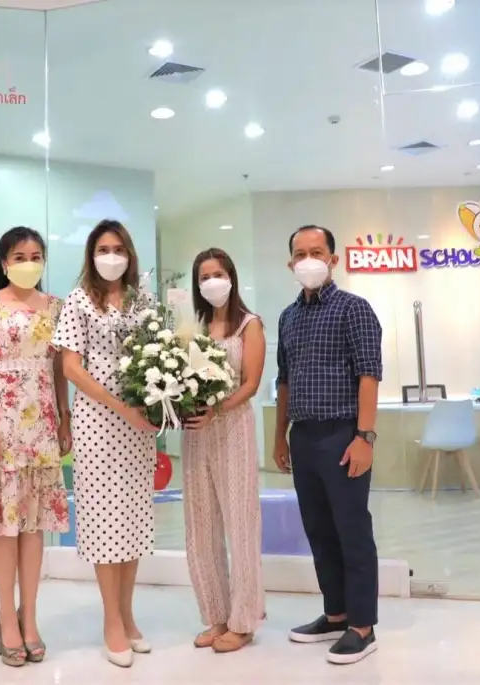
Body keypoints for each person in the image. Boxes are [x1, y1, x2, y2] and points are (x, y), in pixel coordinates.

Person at [0, 226, 71, 667]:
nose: (28, 263)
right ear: (5, 262)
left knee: (33, 526)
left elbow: (59, 369)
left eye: (36, 255)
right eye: (20, 256)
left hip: (41, 426)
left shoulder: (56, 307)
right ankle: (7, 616)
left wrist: (64, 417)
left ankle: (30, 617)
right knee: (5, 527)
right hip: (0, 426)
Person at [52, 219, 159, 668]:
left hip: (138, 425)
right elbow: (71, 368)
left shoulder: (142, 301)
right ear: (91, 255)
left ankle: (128, 615)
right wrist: (119, 405)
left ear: (129, 254)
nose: (111, 256)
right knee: (103, 522)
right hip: (98, 422)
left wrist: (153, 405)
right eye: (102, 249)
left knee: (132, 520)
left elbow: (160, 355)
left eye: (118, 248)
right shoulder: (78, 301)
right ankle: (110, 620)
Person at [274, 225, 382, 665]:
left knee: (351, 530)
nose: (309, 260)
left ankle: (363, 626)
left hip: (344, 434)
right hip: (303, 435)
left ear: (333, 259)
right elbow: (283, 381)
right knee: (318, 529)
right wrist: (279, 437)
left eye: (317, 252)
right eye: (300, 253)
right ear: (290, 263)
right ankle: (336, 614)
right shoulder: (288, 317)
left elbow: (369, 375)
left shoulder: (354, 309)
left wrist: (365, 437)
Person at [182, 248, 266, 653]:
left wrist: (217, 410)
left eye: (218, 274)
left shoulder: (250, 324)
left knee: (240, 524)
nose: (212, 282)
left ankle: (244, 620)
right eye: (204, 277)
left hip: (232, 428)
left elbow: (251, 383)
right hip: (196, 434)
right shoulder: (193, 328)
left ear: (231, 277)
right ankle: (216, 616)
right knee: (200, 526)